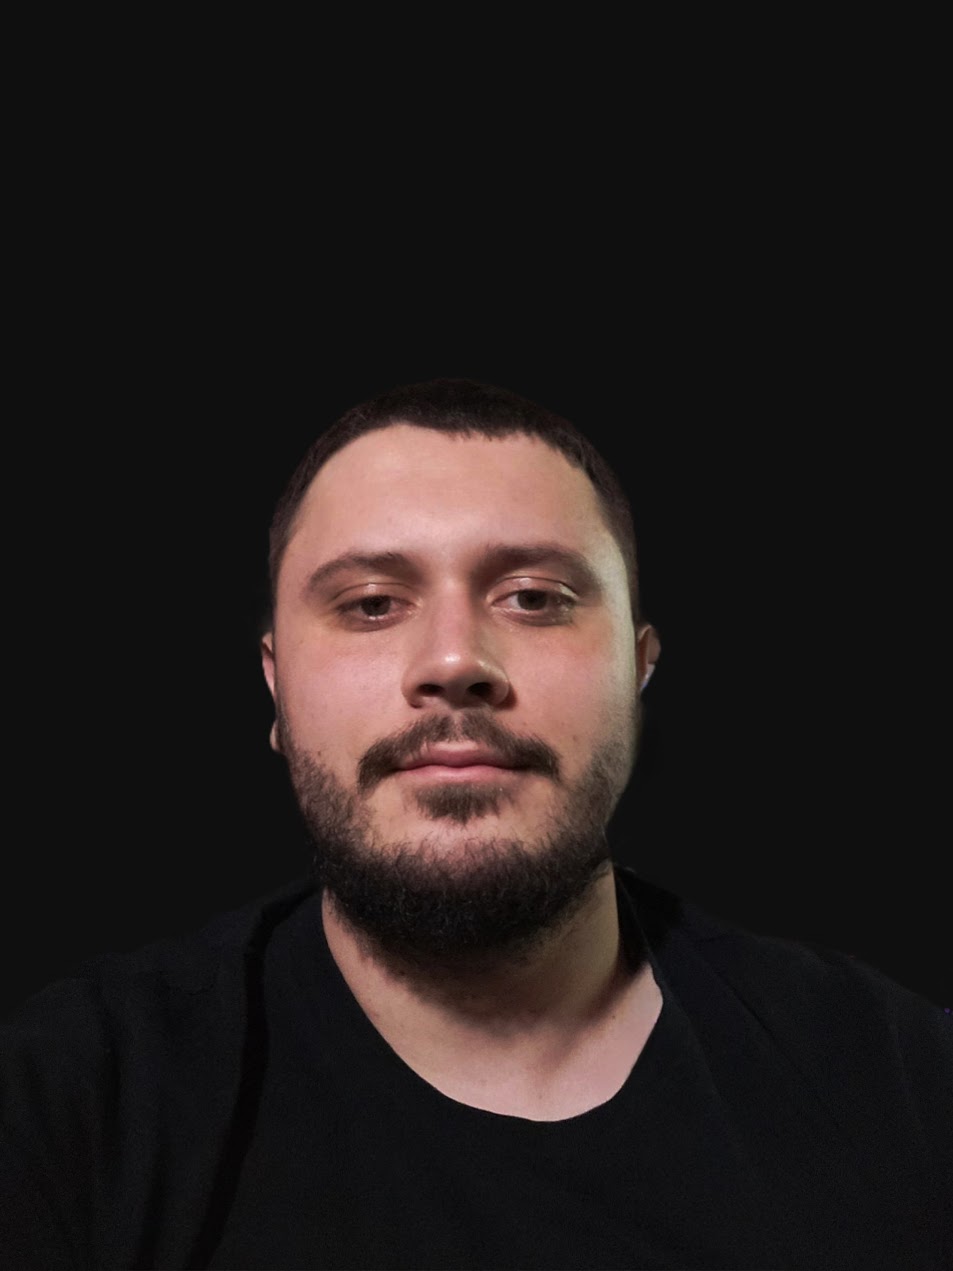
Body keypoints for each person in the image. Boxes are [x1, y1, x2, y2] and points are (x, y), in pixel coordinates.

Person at [1, 379, 949, 1271]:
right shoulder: (73, 1106)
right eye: (371, 604)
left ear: (638, 670)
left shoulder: (903, 1085)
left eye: (533, 598)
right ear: (276, 686)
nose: (454, 660)